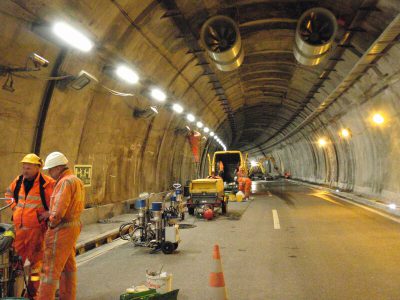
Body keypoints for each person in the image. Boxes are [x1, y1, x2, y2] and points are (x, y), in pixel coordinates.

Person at [5, 153, 55, 299]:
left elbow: (56, 202)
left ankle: (34, 293)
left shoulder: (47, 183)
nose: (25, 171)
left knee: (35, 264)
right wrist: (14, 208)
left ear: (37, 168)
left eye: (28, 168)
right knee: (16, 261)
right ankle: (17, 291)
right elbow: (8, 194)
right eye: (23, 167)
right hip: (19, 228)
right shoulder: (19, 180)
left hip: (36, 230)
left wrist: (48, 213)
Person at [37, 152, 85, 300]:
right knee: (68, 267)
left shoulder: (64, 182)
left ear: (58, 168)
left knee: (49, 270)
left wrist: (50, 222)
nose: (50, 173)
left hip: (61, 230)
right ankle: (67, 297)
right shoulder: (76, 180)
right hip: (73, 227)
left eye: (50, 170)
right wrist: (50, 213)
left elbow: (58, 212)